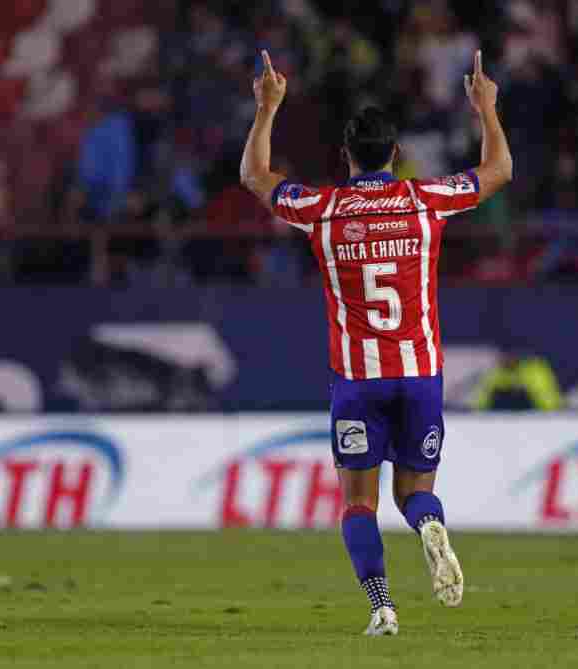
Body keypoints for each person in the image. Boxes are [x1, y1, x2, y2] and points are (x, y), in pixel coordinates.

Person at [240, 50, 512, 635]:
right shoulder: (424, 200)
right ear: (396, 155)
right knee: (414, 493)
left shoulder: (324, 209)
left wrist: (266, 110)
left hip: (358, 381)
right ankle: (429, 526)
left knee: (359, 505)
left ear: (345, 156)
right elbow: (498, 172)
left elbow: (254, 177)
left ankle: (382, 606)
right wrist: (486, 110)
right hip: (420, 374)